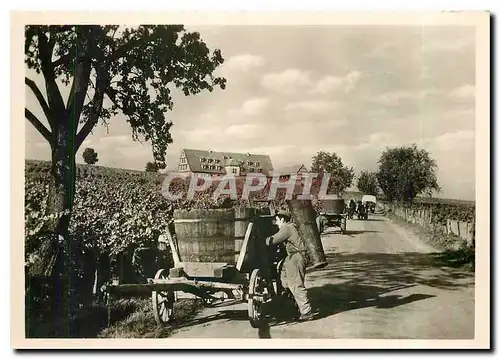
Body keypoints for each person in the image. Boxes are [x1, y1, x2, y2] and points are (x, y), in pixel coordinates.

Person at [265, 210, 315, 322]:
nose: (276, 223)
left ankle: (306, 312)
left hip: (296, 257)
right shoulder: (292, 226)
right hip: (292, 257)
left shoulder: (287, 228)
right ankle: (289, 300)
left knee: (296, 284)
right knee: (284, 276)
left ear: (282, 219)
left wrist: (264, 239)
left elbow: (273, 240)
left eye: (277, 220)